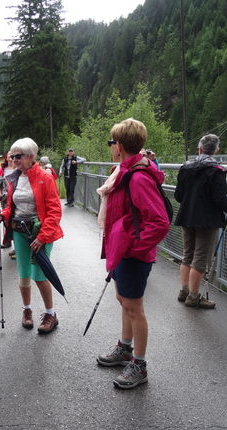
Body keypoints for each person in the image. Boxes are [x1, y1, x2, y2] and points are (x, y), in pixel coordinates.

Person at [96, 118, 170, 389]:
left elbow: (160, 222)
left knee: (135, 308)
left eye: (112, 141)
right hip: (122, 251)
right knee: (124, 301)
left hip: (132, 254)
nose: (111, 146)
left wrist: (134, 247)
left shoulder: (137, 178)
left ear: (119, 145)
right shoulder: (123, 171)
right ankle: (125, 349)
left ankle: (139, 364)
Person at [0, 138, 63, 333]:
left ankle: (51, 314)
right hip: (19, 231)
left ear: (31, 157)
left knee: (40, 275)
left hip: (39, 232)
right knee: (23, 273)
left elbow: (54, 211)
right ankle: (27, 311)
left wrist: (43, 237)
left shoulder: (45, 177)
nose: (13, 160)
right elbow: (13, 207)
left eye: (18, 156)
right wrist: (4, 214)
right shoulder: (14, 177)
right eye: (12, 156)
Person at [174, 134, 227, 309]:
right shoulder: (217, 170)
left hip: (187, 216)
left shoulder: (185, 168)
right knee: (200, 259)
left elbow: (179, 196)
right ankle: (194, 298)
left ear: (199, 149)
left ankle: (184, 291)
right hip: (207, 221)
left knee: (187, 255)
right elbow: (219, 199)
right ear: (216, 150)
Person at [0, 151, 16, 250]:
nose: (10, 155)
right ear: (6, 156)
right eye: (9, 154)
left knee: (15, 219)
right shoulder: (2, 170)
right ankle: (7, 240)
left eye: (12, 154)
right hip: (4, 198)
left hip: (14, 197)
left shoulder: (18, 169)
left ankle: (16, 243)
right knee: (5, 218)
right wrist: (0, 194)